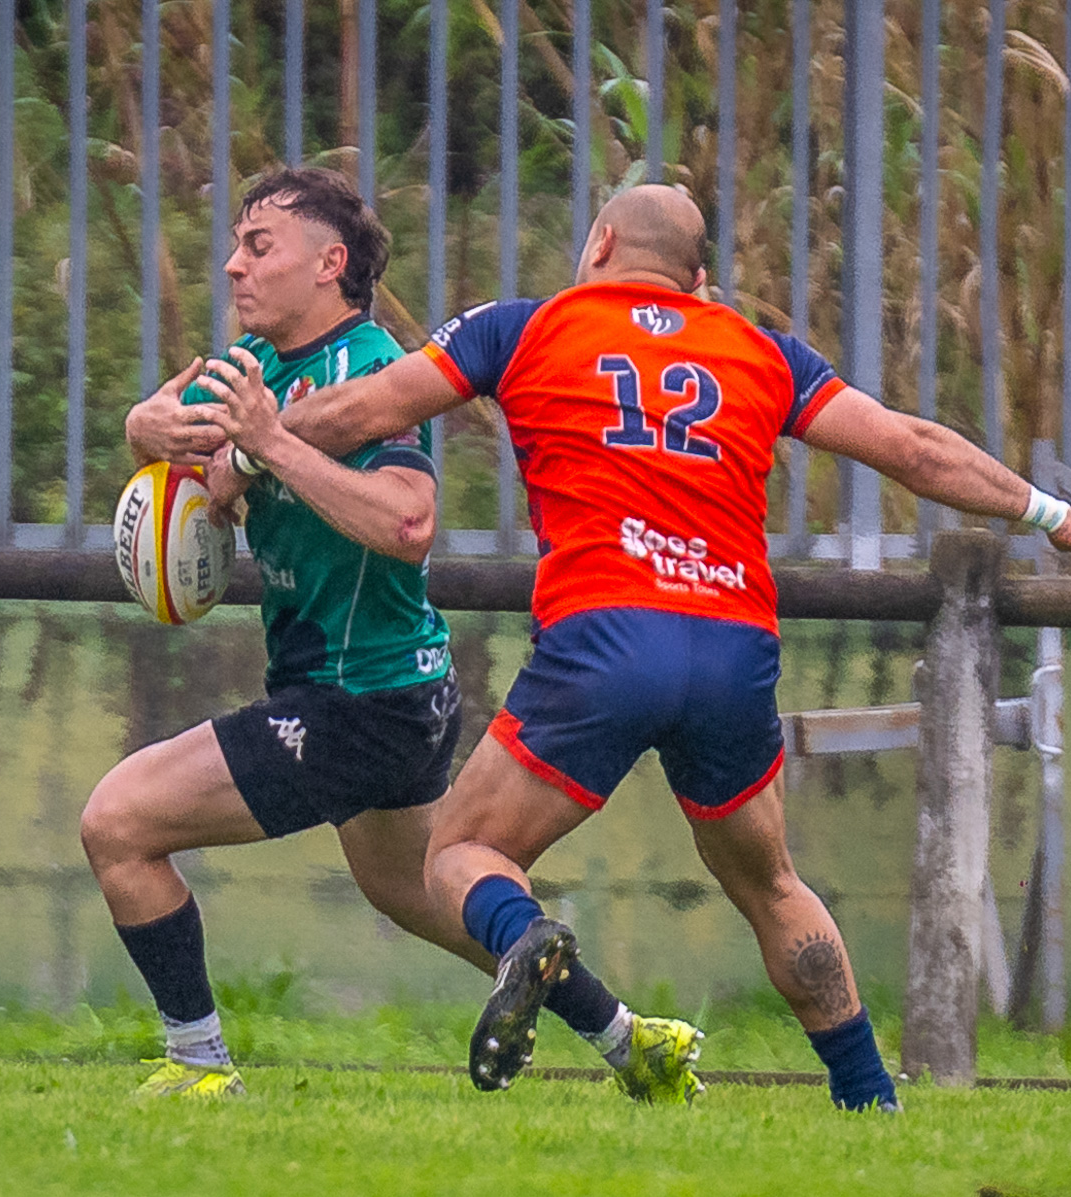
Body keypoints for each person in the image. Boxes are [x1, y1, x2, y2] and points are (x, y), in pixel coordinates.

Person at [285, 184, 1071, 1111]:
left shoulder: (522, 329)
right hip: (734, 646)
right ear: (699, 280)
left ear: (602, 240)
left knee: (458, 852)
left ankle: (526, 938)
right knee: (769, 880)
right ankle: (869, 1094)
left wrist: (251, 437)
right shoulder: (758, 351)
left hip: (606, 639)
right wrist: (1056, 515)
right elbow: (912, 446)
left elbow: (365, 411)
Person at [87, 167, 696, 1104]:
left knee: (118, 821)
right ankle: (631, 1040)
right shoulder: (250, 364)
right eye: (235, 246)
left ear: (329, 264)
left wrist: (270, 450)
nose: (232, 265)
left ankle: (198, 1064)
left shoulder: (368, 371)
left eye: (258, 247)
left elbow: (410, 522)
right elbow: (156, 425)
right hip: (392, 689)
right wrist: (150, 423)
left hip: (355, 699)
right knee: (421, 894)